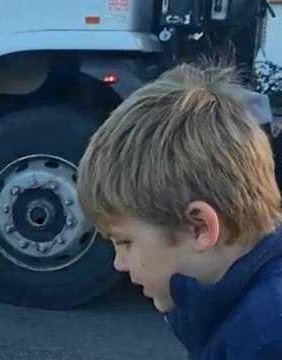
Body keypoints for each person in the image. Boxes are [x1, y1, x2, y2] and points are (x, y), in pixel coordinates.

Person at [77, 64, 282, 359]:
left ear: (199, 227)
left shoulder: (265, 339)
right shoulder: (237, 311)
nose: (119, 264)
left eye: (124, 242)